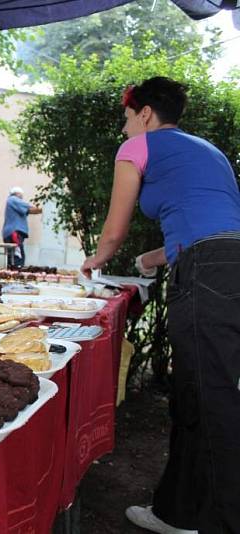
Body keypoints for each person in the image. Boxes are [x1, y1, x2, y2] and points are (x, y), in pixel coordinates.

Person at [81, 77, 240, 534]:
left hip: (206, 273)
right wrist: (154, 257)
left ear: (145, 113)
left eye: (127, 119)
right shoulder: (207, 150)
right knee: (194, 393)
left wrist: (94, 262)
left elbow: (112, 233)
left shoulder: (138, 147)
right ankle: (178, 512)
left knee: (212, 402)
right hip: (227, 264)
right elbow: (212, 221)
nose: (125, 129)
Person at [1, 186, 42, 268]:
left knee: (12, 256)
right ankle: (17, 272)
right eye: (21, 195)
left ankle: (11, 271)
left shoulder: (10, 201)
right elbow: (29, 209)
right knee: (18, 256)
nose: (22, 197)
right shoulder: (13, 199)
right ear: (17, 194)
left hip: (10, 232)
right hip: (14, 232)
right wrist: (43, 209)